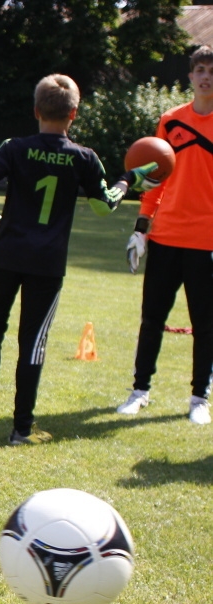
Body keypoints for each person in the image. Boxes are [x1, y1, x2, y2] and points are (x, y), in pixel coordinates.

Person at [0, 74, 151, 444]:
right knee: (33, 341)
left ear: (36, 110)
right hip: (46, 263)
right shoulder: (84, 157)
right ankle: (21, 429)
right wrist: (128, 179)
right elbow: (104, 206)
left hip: (5, 253)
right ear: (74, 114)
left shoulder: (14, 147)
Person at [117, 45, 213, 425]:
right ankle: (140, 391)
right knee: (151, 318)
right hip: (166, 235)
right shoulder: (170, 121)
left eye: (212, 71)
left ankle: (198, 398)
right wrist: (142, 227)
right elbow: (155, 179)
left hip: (206, 240)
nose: (206, 76)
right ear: (190, 77)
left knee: (205, 324)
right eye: (200, 70)